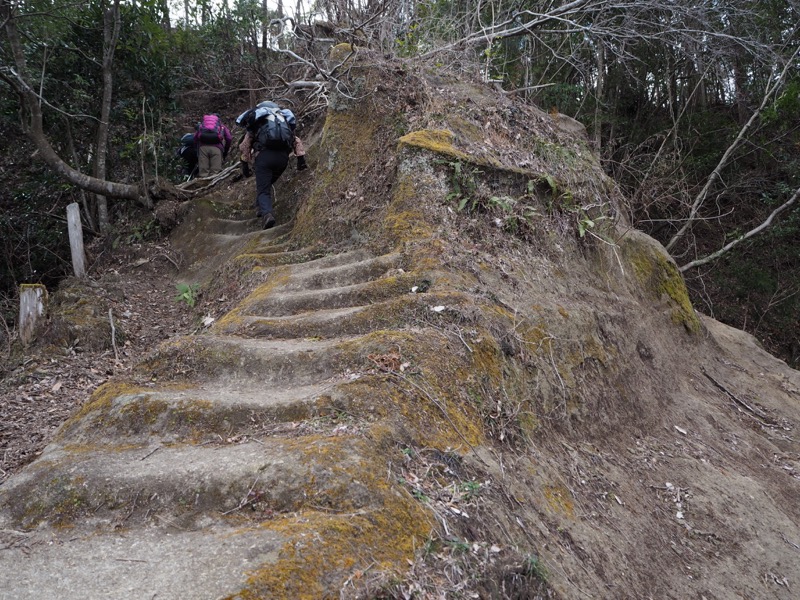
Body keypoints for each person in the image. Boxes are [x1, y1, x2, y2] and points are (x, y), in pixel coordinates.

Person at [236, 101, 307, 229]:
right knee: (267, 183)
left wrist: (245, 166)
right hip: (282, 159)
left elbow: (245, 146)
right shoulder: (282, 120)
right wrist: (301, 160)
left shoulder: (258, 122)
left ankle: (267, 215)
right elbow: (296, 140)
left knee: (263, 190)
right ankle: (259, 207)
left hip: (264, 158)